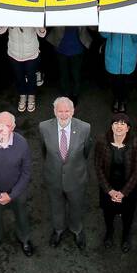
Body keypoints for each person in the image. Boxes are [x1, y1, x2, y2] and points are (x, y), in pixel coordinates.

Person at [0, 112, 33, 258]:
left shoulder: (22, 143)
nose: (3, 128)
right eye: (0, 124)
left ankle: (25, 239)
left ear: (13, 127)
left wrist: (12, 195)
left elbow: (26, 172)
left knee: (22, 216)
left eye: (7, 125)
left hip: (17, 192)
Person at [39, 97, 92, 249]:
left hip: (76, 178)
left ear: (73, 111)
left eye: (67, 111)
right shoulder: (43, 127)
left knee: (76, 206)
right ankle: (58, 230)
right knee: (56, 206)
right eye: (60, 111)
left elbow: (86, 152)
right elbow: (44, 150)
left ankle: (76, 229)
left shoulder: (85, 128)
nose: (63, 114)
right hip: (53, 177)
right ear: (54, 111)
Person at [94, 112, 137, 252]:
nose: (119, 126)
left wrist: (123, 193)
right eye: (116, 123)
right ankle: (109, 233)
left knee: (128, 215)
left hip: (127, 188)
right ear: (111, 126)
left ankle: (125, 236)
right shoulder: (102, 142)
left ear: (128, 128)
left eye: (123, 124)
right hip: (108, 187)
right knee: (108, 213)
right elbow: (98, 167)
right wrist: (109, 190)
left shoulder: (135, 144)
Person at [0, 25, 46, 114]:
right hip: (14, 53)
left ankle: (31, 96)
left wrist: (40, 25)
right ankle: (22, 95)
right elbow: (0, 31)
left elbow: (42, 34)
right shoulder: (10, 13)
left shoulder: (32, 13)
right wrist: (3, 21)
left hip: (31, 53)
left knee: (31, 76)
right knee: (19, 77)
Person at [47, 25, 90, 104]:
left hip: (77, 48)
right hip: (61, 47)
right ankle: (65, 94)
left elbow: (93, 27)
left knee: (76, 74)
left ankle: (75, 94)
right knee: (63, 73)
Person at [101, 30, 137, 113]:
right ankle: (116, 99)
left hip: (128, 58)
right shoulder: (112, 17)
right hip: (113, 58)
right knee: (114, 82)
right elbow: (104, 34)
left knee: (126, 83)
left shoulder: (135, 19)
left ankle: (122, 101)